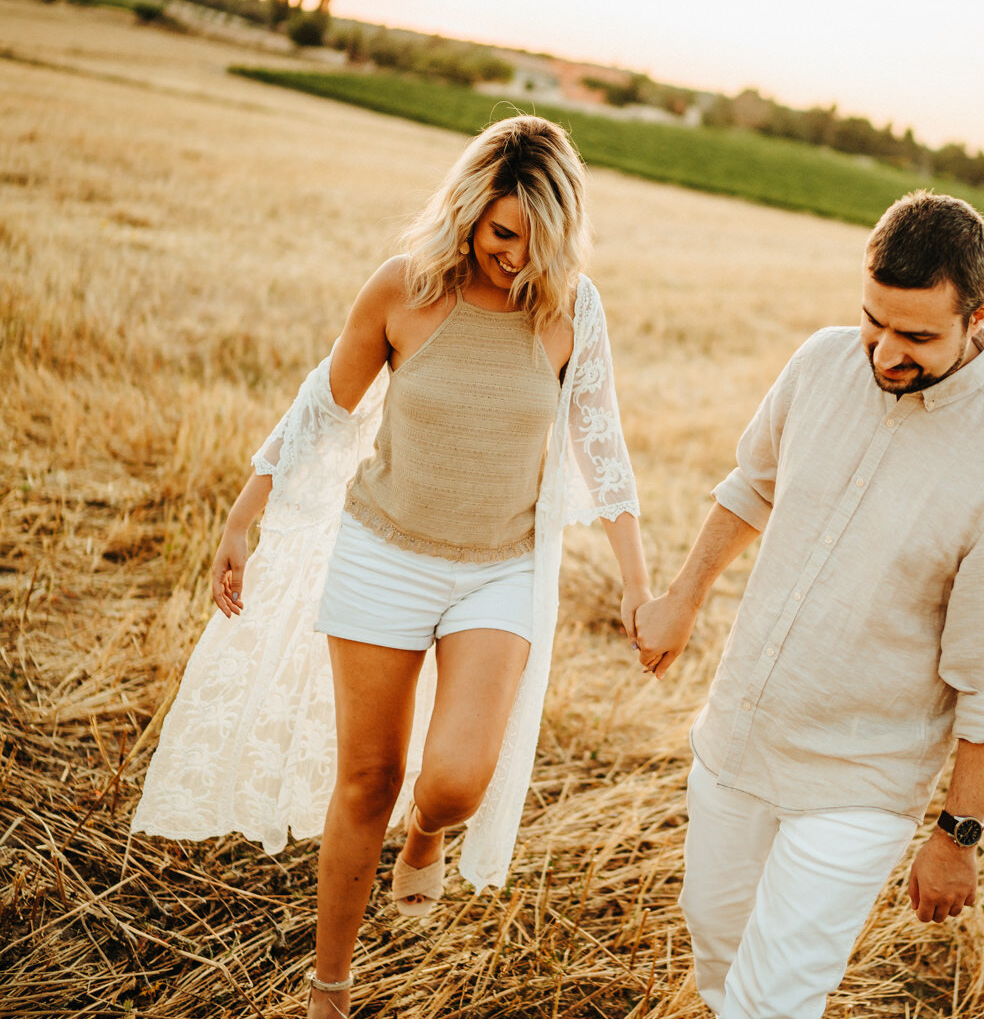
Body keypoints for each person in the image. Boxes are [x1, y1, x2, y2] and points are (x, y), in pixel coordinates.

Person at [131, 115, 650, 1019]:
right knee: (366, 779)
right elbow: (323, 411)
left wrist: (642, 587)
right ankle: (329, 988)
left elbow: (601, 451)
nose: (518, 260)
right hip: (382, 556)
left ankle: (429, 834)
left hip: (498, 573)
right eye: (502, 235)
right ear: (468, 213)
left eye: (539, 240)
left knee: (453, 779)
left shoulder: (574, 310)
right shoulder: (403, 291)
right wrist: (244, 515)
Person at [633, 190, 984, 1019]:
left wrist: (956, 836)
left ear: (978, 318)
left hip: (858, 784)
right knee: (717, 946)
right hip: (742, 731)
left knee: (774, 998)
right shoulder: (821, 362)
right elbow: (752, 484)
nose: (885, 352)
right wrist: (685, 596)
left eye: (917, 336)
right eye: (875, 321)